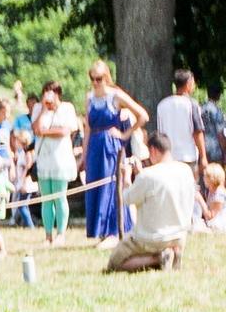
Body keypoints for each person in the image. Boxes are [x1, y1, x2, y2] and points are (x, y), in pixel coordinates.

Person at [107, 133, 197, 272]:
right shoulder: (186, 171)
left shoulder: (147, 175)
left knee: (114, 264)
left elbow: (127, 198)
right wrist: (140, 174)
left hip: (150, 239)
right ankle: (170, 255)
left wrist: (126, 178)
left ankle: (159, 258)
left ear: (153, 150)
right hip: (179, 236)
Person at [83, 60, 148, 244]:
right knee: (95, 186)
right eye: (93, 79)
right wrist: (84, 155)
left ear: (106, 77)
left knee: (110, 187)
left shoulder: (116, 96)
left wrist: (124, 133)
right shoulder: (89, 98)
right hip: (95, 145)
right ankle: (101, 231)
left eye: (99, 79)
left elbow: (143, 115)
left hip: (110, 146)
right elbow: (87, 128)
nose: (95, 82)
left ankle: (113, 231)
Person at [31, 81, 80, 243]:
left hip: (61, 158)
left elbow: (65, 131)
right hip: (44, 158)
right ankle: (47, 234)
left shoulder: (67, 108)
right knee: (46, 198)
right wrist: (44, 109)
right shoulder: (39, 108)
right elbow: (36, 129)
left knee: (60, 197)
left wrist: (46, 132)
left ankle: (61, 233)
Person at [156, 70, 205, 190]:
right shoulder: (191, 104)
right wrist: (203, 156)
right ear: (188, 84)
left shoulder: (162, 105)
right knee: (189, 191)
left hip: (168, 156)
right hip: (188, 157)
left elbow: (160, 133)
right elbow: (197, 132)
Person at [203, 163, 226, 232]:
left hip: (219, 226)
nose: (203, 178)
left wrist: (200, 200)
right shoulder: (211, 191)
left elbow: (210, 216)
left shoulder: (219, 193)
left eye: (205, 176)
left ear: (211, 178)